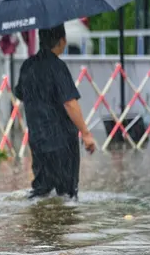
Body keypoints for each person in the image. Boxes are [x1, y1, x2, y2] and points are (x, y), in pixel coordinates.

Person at [14, 24, 97, 200]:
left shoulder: (28, 66)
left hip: (38, 140)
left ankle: (41, 224)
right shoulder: (58, 67)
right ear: (62, 41)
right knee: (66, 194)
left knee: (42, 191)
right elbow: (70, 103)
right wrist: (86, 133)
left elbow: (20, 93)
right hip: (62, 142)